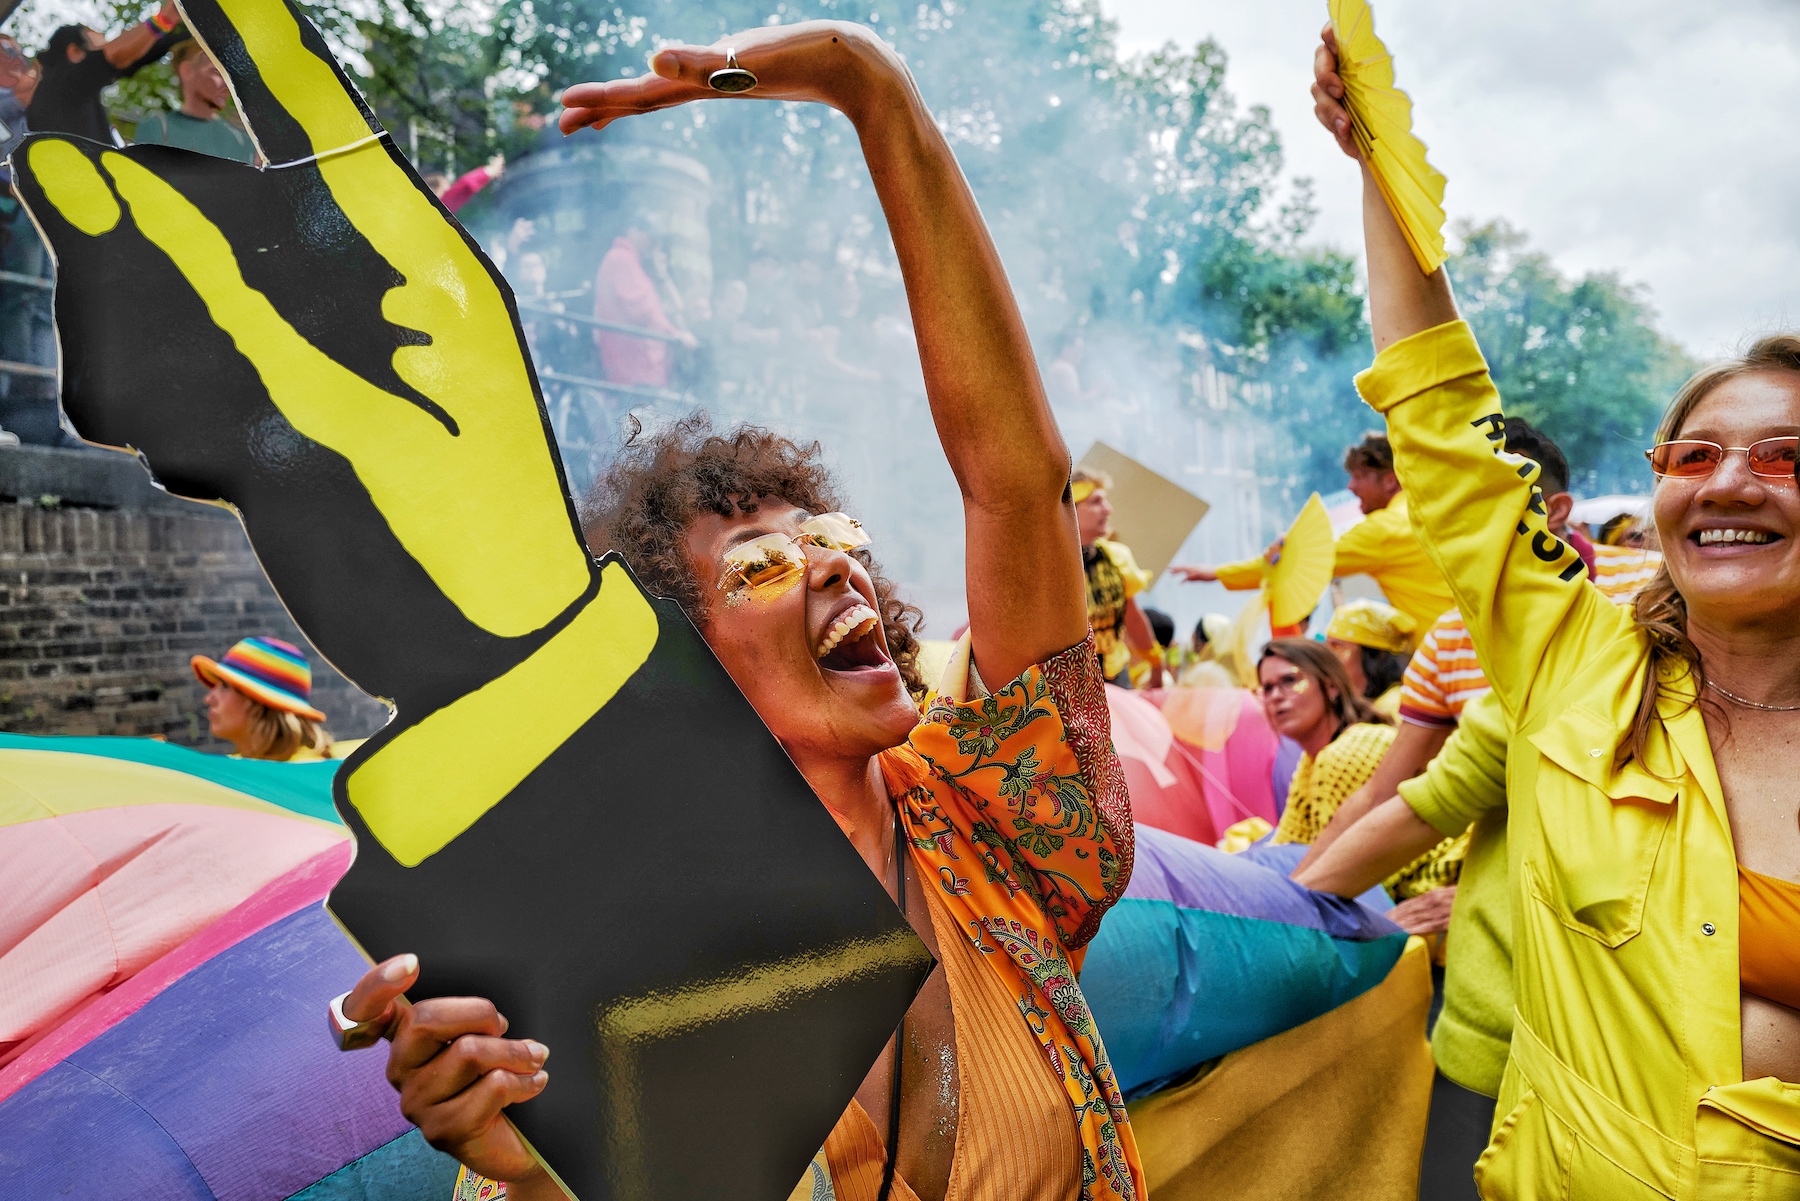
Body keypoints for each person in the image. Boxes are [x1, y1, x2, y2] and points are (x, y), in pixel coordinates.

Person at [336, 25, 1144, 1201]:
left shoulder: (996, 818)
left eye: (835, 540)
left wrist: (872, 93)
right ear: (681, 667)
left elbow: (1015, 481)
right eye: (765, 563)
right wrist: (553, 1176)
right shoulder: (620, 974)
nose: (834, 569)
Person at [1303, 24, 1800, 1193]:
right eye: (1694, 454)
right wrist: (1380, 171)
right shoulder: (1575, 659)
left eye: (1784, 456)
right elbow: (1447, 430)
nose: (1728, 482)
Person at [1172, 431, 1455, 640]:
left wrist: (1217, 573)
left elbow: (1298, 561)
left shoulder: (1384, 529)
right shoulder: (1431, 509)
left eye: (1359, 476)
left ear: (1390, 479)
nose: (1350, 487)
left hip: (1447, 651)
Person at [1257, 638, 1460, 901]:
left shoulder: (1350, 751)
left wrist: (1286, 903)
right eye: (1267, 688)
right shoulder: (1309, 763)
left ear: (1330, 686)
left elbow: (1346, 872)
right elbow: (1288, 848)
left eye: (1289, 681)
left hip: (1446, 891)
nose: (1276, 696)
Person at [27, 5, 184, 145]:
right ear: (75, 52)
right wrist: (164, 19)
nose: (108, 50)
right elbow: (116, 57)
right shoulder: (61, 87)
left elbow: (134, 60)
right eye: (101, 48)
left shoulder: (62, 95)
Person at [1072, 467, 1158, 687]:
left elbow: (1132, 616)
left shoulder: (1117, 556)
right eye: (1096, 502)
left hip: (1115, 674)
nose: (1108, 510)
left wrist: (1156, 662)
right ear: (1070, 509)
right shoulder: (1048, 564)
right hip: (1070, 681)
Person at [191, 636, 334, 761]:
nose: (209, 699)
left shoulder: (306, 775)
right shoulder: (240, 767)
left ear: (260, 702)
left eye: (225, 686)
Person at [592, 223, 697, 388]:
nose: (653, 243)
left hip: (640, 365)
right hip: (631, 365)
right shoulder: (621, 259)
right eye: (650, 236)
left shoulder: (632, 263)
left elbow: (672, 308)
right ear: (633, 231)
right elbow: (642, 310)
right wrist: (674, 334)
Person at [132, 40, 253, 163]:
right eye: (217, 72)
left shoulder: (240, 139)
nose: (227, 84)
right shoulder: (156, 128)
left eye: (229, 75)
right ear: (187, 71)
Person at [1323, 598, 1414, 720]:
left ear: (1375, 656)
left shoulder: (1396, 706)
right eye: (1326, 648)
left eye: (1337, 647)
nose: (1327, 658)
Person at [427, 154, 506, 213]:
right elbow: (466, 184)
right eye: (447, 187)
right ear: (436, 189)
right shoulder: (439, 206)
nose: (450, 188)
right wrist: (492, 170)